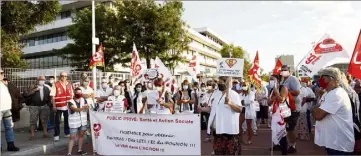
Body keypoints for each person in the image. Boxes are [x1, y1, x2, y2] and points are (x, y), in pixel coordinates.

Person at [312, 67, 354, 155]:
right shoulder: (328, 93)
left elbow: (318, 115)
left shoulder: (336, 94)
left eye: (323, 78)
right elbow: (318, 109)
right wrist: (316, 108)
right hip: (333, 142)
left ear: (331, 79)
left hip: (339, 144)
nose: (320, 80)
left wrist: (314, 108)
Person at [207, 76, 242, 155]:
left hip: (229, 132)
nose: (220, 83)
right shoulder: (216, 94)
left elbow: (239, 109)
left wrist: (230, 103)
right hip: (218, 131)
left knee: (230, 153)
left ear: (228, 82)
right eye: (219, 81)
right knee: (218, 153)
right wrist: (202, 109)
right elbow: (213, 109)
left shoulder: (233, 94)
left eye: (223, 81)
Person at [279, 65, 301, 153]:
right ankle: (284, 144)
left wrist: (284, 93)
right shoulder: (282, 81)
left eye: (285, 70)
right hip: (285, 108)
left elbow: (297, 92)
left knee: (290, 128)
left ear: (289, 71)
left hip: (293, 108)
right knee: (285, 128)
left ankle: (293, 146)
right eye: (282, 70)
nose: (283, 71)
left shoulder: (293, 79)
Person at [24, 76, 51, 140]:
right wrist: (34, 90)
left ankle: (45, 133)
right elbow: (26, 94)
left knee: (44, 120)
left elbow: (49, 97)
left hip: (44, 106)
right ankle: (32, 135)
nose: (42, 81)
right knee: (33, 121)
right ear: (37, 80)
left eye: (43, 80)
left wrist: (48, 105)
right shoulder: (32, 86)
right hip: (34, 106)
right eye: (41, 79)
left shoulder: (46, 88)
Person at [0, 69, 20, 151]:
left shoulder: (4, 84)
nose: (2, 74)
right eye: (0, 73)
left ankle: (10, 145)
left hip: (7, 109)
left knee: (9, 127)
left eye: (2, 73)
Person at [51, 72, 72, 141]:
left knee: (67, 120)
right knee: (57, 121)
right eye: (62, 76)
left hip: (67, 106)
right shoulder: (56, 84)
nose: (64, 77)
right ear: (60, 76)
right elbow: (53, 96)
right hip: (58, 106)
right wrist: (54, 106)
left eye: (65, 76)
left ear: (67, 77)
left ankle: (67, 132)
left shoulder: (69, 84)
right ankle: (56, 134)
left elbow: (72, 95)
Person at [67, 88, 88, 155]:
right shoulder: (70, 101)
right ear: (74, 93)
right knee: (72, 137)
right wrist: (83, 108)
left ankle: (79, 150)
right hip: (74, 123)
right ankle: (69, 153)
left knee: (81, 135)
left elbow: (87, 107)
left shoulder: (84, 100)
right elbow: (75, 109)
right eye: (77, 92)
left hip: (83, 121)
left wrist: (87, 107)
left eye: (80, 92)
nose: (79, 94)